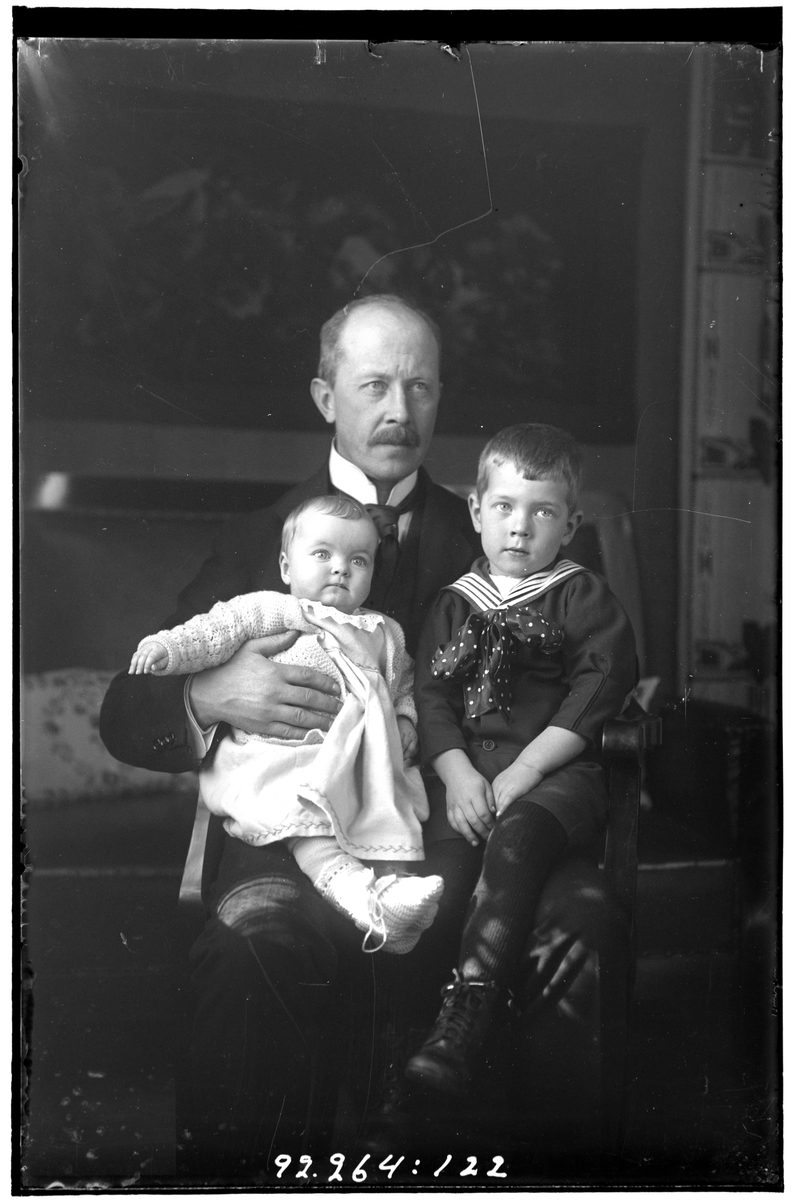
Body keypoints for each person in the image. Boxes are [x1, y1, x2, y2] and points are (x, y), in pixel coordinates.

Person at [100, 294, 633, 1175]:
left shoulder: (503, 527)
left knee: (578, 922)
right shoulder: (256, 540)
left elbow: (592, 670)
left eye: (420, 387)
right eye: (374, 385)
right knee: (256, 941)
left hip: (467, 827)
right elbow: (125, 708)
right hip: (296, 834)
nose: (399, 410)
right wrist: (210, 693)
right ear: (325, 397)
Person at [404, 424, 637, 1096]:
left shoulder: (580, 595)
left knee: (519, 836)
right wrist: (455, 773)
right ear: (477, 511)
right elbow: (432, 696)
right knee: (433, 883)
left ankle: (467, 1016)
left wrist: (529, 769)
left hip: (556, 780)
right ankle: (410, 1069)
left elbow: (601, 685)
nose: (520, 526)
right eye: (505, 506)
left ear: (570, 525)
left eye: (543, 512)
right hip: (467, 783)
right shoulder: (454, 603)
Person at [128, 494, 444, 953]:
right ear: (285, 567)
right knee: (304, 823)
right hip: (279, 758)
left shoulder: (383, 632)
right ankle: (355, 894)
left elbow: (404, 683)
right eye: (322, 554)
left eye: (358, 560)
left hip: (357, 761)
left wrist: (404, 717)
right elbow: (214, 631)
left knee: (387, 813)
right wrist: (169, 648)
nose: (341, 569)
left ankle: (395, 899)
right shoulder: (273, 609)